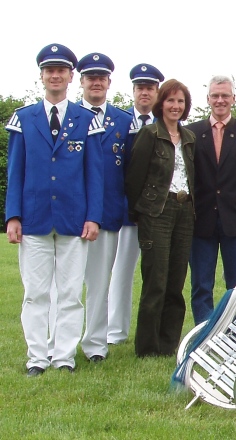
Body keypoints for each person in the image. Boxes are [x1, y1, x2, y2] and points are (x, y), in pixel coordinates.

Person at [6, 43, 104, 376]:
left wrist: (93, 216)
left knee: (70, 293)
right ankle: (36, 357)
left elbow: (95, 174)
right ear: (42, 76)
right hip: (33, 217)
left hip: (74, 219)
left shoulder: (87, 120)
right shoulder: (23, 118)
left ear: (70, 76)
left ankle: (63, 357)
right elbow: (15, 172)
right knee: (35, 294)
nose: (55, 75)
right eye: (50, 70)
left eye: (61, 70)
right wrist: (12, 216)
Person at [185, 75, 236, 325]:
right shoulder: (192, 132)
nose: (220, 100)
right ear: (208, 99)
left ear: (233, 99)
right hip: (202, 220)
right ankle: (203, 333)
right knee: (201, 284)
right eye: (215, 96)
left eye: (225, 95)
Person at [125, 79, 195, 357]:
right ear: (161, 104)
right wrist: (140, 212)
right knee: (156, 280)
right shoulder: (150, 134)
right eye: (170, 100)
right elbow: (134, 177)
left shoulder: (189, 138)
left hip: (185, 211)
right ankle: (147, 347)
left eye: (180, 101)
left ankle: (169, 344)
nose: (175, 106)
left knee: (176, 281)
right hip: (157, 212)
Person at [75, 53, 135, 363]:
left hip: (108, 215)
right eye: (90, 77)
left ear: (109, 82)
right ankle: (59, 342)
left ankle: (95, 344)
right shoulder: (69, 117)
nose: (96, 82)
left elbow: (130, 172)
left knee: (100, 284)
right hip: (71, 214)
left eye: (101, 78)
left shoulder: (124, 121)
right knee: (65, 285)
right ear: (81, 81)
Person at [107, 63, 164, 345]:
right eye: (140, 87)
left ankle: (156, 330)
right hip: (126, 212)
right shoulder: (119, 121)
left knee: (157, 274)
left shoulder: (166, 124)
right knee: (121, 271)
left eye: (150, 88)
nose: (145, 93)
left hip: (158, 212)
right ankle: (115, 331)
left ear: (157, 92)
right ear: (133, 90)